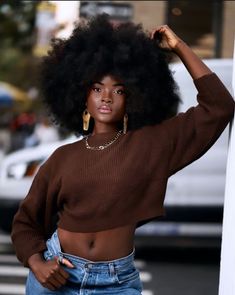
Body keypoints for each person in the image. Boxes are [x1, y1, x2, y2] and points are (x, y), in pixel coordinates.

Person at [11, 14, 234, 295]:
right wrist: (36, 264)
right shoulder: (62, 157)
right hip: (57, 276)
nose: (106, 97)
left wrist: (179, 46)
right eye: (97, 88)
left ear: (133, 97)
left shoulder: (151, 144)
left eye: (118, 90)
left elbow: (219, 106)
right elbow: (26, 223)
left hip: (116, 285)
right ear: (82, 96)